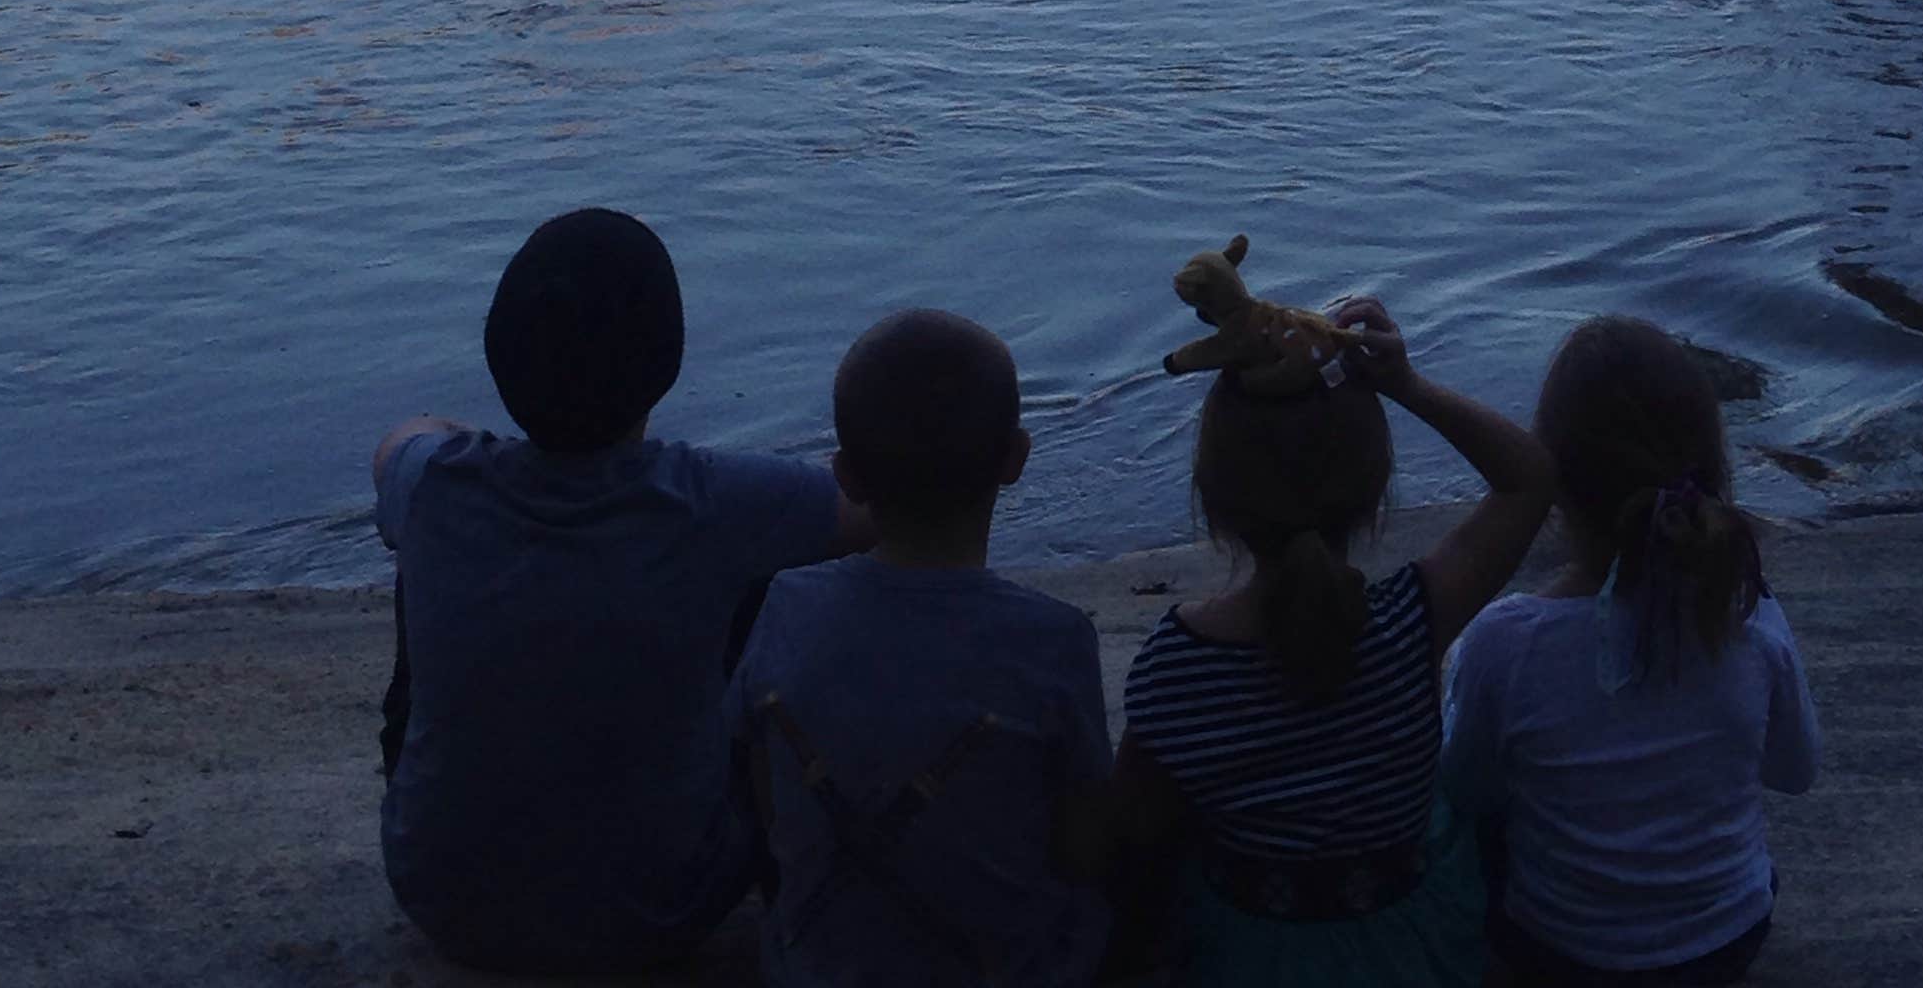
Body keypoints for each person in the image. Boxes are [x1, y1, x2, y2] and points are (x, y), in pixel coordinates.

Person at [373, 206, 866, 976]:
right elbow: (865, 515)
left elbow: (399, 440)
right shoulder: (714, 500)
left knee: (422, 548)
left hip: (442, 899)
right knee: (777, 578)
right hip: (661, 911)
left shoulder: (436, 481)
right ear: (665, 362)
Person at [1114, 290, 1556, 985]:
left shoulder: (1174, 670)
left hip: (1253, 956)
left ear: (1212, 499)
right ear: (1377, 489)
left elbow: (1135, 835)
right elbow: (1529, 478)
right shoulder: (1414, 618)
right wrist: (1407, 386)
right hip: (1414, 941)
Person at [1440, 315, 1821, 987]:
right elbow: (1794, 770)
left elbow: (1467, 790)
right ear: (1710, 469)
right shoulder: (1752, 620)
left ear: (1553, 485)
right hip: (1726, 941)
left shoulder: (1502, 643)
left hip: (1554, 952)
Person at [738, 308, 1114, 986]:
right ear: (1016, 460)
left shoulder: (784, 606)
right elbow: (1086, 851)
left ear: (844, 477)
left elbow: (756, 803)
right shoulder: (1053, 642)